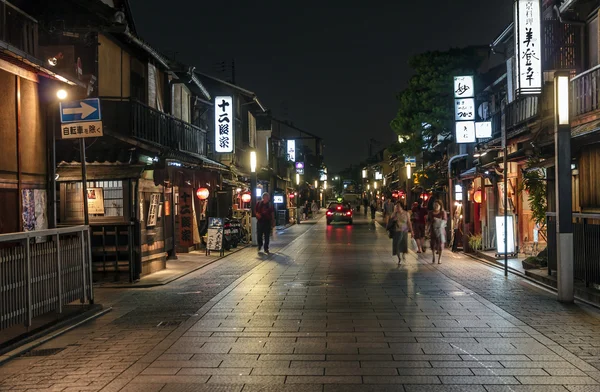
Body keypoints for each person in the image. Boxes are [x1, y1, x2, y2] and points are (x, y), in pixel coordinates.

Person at [428, 200, 447, 264]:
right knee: (433, 244)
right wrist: (427, 230)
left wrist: (437, 220)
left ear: (440, 206)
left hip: (440, 231)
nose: (435, 206)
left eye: (437, 205)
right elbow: (428, 221)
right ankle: (433, 256)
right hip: (432, 230)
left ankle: (439, 258)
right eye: (434, 205)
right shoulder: (430, 212)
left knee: (441, 244)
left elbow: (444, 220)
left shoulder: (443, 212)